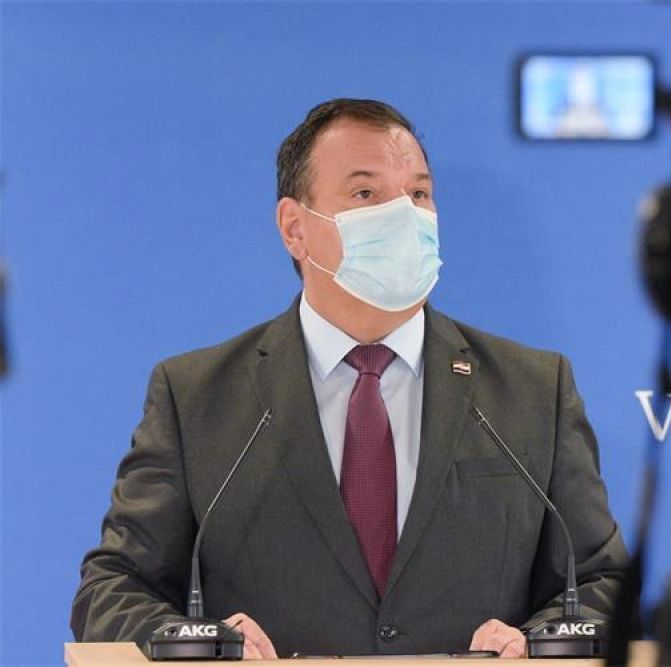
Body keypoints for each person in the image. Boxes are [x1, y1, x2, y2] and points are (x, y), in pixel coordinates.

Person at [71, 99, 627, 659]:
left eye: (418, 194)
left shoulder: (534, 389)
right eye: (366, 194)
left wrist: (536, 645)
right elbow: (114, 589)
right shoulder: (195, 397)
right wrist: (204, 646)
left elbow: (602, 582)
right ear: (295, 228)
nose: (404, 216)